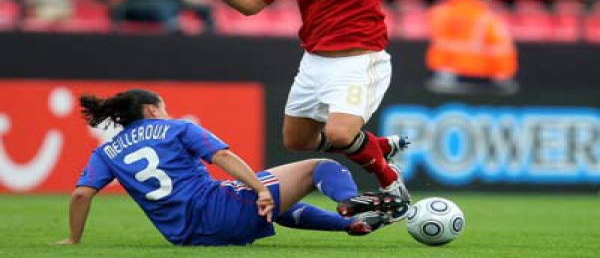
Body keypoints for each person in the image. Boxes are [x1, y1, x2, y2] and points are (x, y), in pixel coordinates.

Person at [196, 0, 543, 214]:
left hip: (359, 61)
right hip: (314, 64)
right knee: (296, 141)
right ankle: (378, 146)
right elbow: (251, 6)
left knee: (342, 134)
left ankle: (391, 184)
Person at [53, 89, 407, 246]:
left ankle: (350, 223)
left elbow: (82, 193)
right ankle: (351, 201)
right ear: (150, 110)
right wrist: (260, 186)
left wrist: (73, 239)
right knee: (322, 167)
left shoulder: (107, 150)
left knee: (272, 207)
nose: (165, 111)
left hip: (186, 237)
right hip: (219, 209)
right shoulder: (178, 128)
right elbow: (221, 157)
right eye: (162, 107)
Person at [425, 0, 519, 95]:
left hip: (444, 76)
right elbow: (501, 49)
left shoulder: (440, 13)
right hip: (480, 77)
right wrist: (504, 75)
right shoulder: (488, 18)